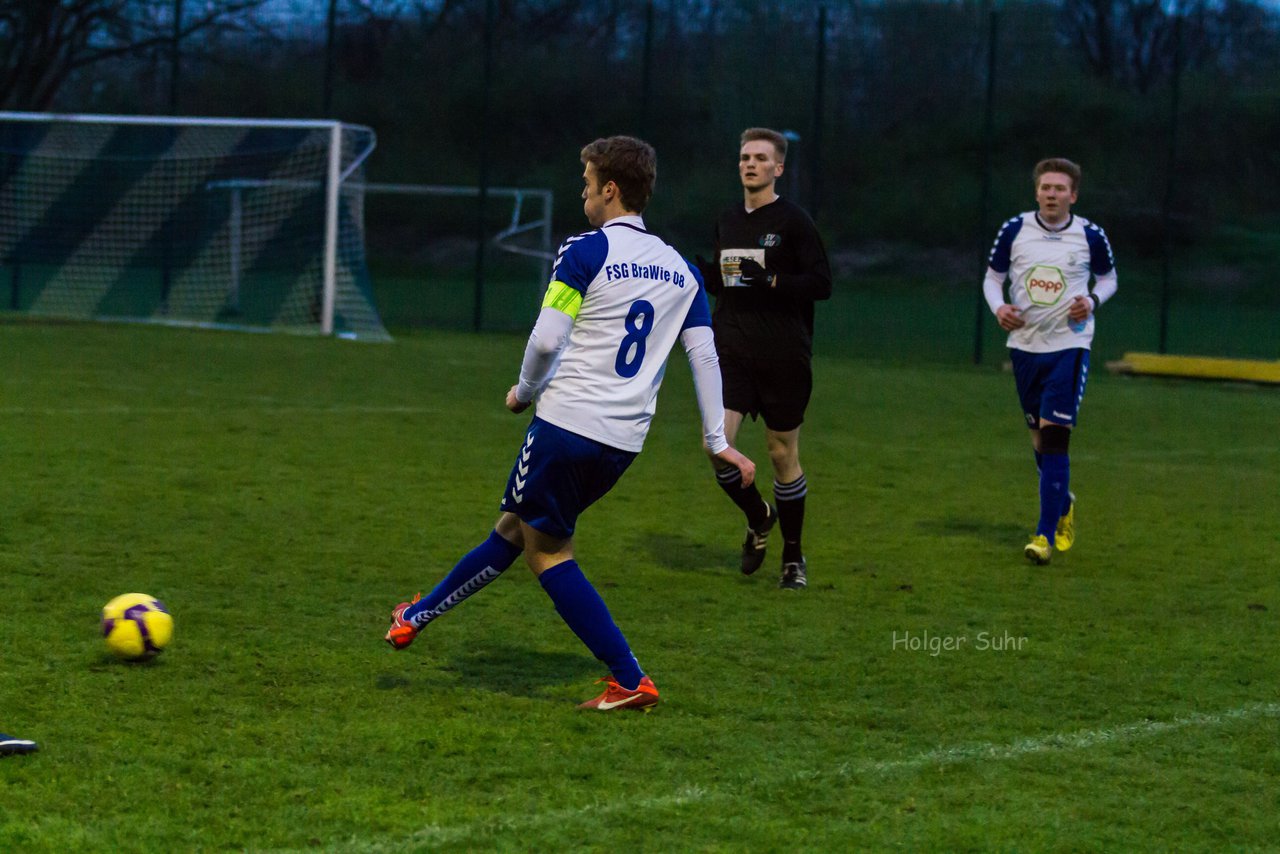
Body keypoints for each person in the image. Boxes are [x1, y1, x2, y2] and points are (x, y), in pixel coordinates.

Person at [384, 136, 755, 712]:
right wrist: (716, 441)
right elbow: (704, 357)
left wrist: (523, 393)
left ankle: (631, 678)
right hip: (621, 442)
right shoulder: (682, 270)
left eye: (586, 181)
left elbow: (549, 337)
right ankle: (417, 615)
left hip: (564, 426)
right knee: (517, 525)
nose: (581, 190)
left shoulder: (584, 251)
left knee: (548, 553)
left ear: (610, 189)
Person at [696, 127, 832, 590]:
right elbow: (725, 281)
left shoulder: (794, 222)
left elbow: (821, 283)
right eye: (744, 157)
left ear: (778, 168)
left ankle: (793, 557)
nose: (749, 164)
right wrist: (700, 273)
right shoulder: (727, 219)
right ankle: (759, 517)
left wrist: (773, 282)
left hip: (783, 354)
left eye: (759, 158)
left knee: (780, 452)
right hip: (731, 349)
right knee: (716, 446)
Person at [982, 157, 1118, 565]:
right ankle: (1063, 503)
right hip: (1025, 347)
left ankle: (1043, 535)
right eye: (1046, 188)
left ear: (1073, 195)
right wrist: (998, 308)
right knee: (1040, 443)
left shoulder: (1090, 235)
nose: (1052, 195)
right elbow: (993, 278)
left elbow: (1109, 279)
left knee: (1056, 436)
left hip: (1068, 346)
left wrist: (1091, 301)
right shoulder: (1014, 229)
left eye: (1060, 189)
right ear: (1037, 192)